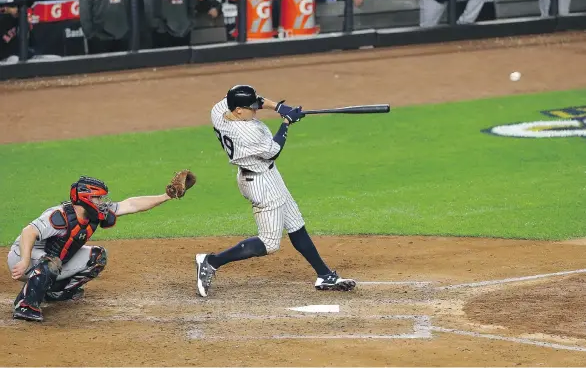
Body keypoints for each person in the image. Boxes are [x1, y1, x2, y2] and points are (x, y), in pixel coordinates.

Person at [195, 85, 356, 298]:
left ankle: (325, 275)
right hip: (259, 182)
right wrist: (287, 122)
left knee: (296, 223)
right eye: (250, 107)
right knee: (269, 243)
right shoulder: (248, 133)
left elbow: (258, 100)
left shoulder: (219, 110)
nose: (256, 109)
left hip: (266, 175)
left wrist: (279, 107)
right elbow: (274, 151)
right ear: (239, 111)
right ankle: (211, 261)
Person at [7, 171, 195, 322]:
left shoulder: (95, 214)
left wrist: (166, 196)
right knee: (52, 263)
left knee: (97, 257)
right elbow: (28, 232)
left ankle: (55, 292)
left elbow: (131, 204)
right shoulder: (59, 216)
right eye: (98, 198)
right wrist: (24, 261)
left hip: (48, 260)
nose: (103, 203)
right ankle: (25, 305)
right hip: (22, 257)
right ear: (86, 199)